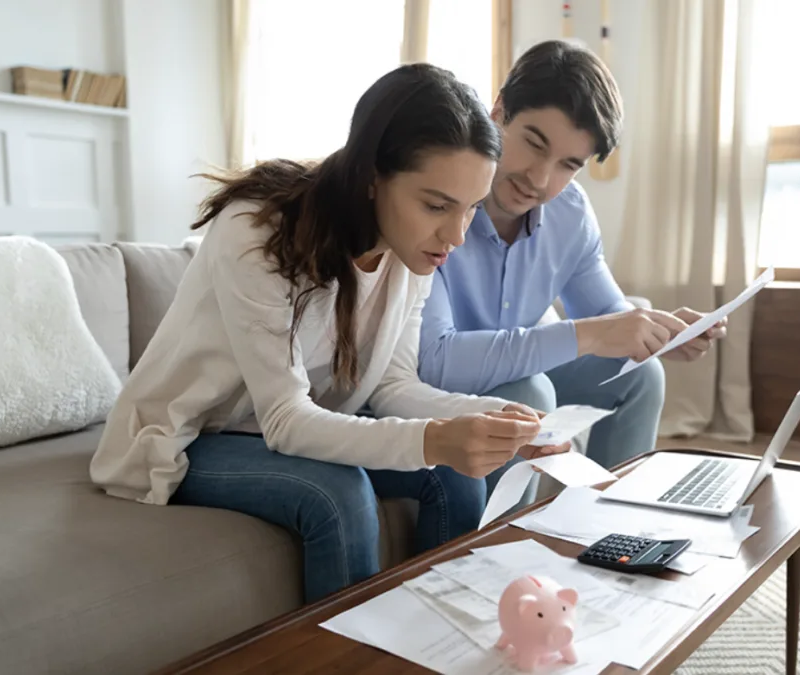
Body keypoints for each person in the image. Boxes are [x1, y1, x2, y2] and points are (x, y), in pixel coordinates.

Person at [89, 63, 568, 604]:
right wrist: (434, 437)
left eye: (471, 209)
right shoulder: (257, 231)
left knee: (455, 476)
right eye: (436, 205)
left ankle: (442, 642)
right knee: (339, 492)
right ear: (370, 177)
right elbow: (285, 420)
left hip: (295, 424)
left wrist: (488, 419)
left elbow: (391, 386)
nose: (456, 235)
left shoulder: (411, 254)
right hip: (193, 434)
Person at [418, 40, 727, 498]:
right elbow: (435, 362)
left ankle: (603, 530)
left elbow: (608, 313)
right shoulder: (439, 198)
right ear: (498, 111)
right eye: (533, 143)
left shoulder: (570, 214)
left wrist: (660, 334)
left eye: (568, 165)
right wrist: (595, 333)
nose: (540, 179)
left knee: (639, 376)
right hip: (436, 391)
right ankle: (504, 552)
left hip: (515, 374)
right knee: (527, 395)